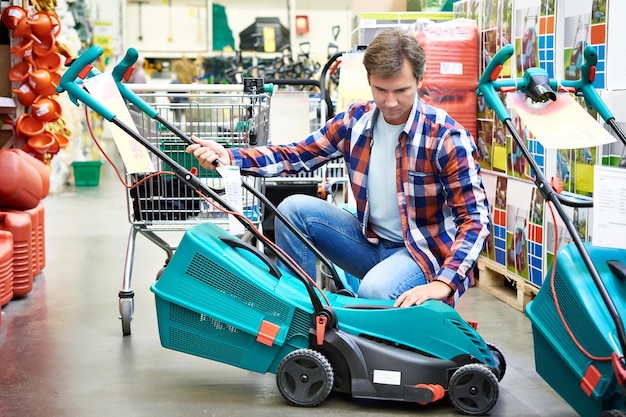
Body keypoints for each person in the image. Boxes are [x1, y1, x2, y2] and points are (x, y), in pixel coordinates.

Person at [186, 28, 491, 308]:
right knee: (292, 209)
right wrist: (231, 157)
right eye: (380, 89)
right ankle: (302, 314)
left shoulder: (446, 138)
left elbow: (475, 219)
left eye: (401, 90)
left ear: (420, 82)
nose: (391, 101)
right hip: (370, 243)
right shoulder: (355, 123)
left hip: (421, 255)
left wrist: (444, 282)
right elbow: (296, 155)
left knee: (374, 290)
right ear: (369, 79)